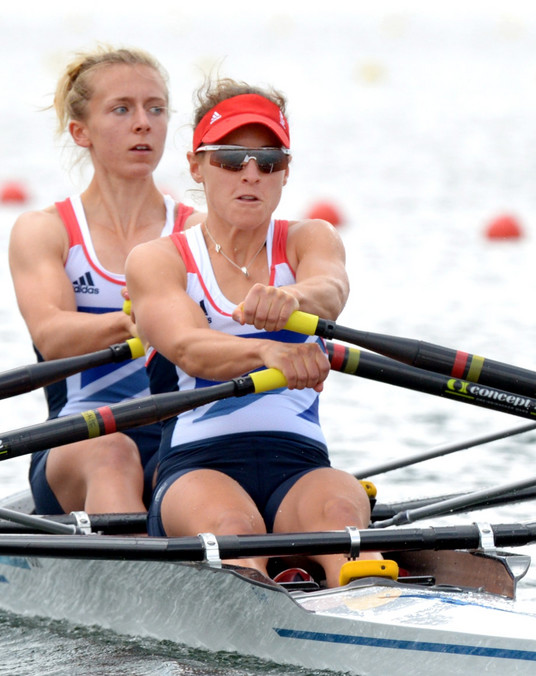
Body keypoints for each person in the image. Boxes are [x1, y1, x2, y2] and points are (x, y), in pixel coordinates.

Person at [125, 80, 379, 586]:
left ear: (285, 173)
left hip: (301, 464)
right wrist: (267, 352)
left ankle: (370, 600)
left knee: (339, 509)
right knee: (234, 529)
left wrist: (294, 302)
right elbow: (187, 348)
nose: (251, 174)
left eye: (269, 162)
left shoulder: (311, 239)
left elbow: (330, 290)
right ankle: (262, 594)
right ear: (197, 167)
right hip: (196, 468)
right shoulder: (159, 259)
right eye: (230, 158)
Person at [9, 46, 198, 516]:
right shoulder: (46, 230)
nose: (143, 123)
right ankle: (136, 573)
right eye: (122, 109)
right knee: (114, 453)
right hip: (81, 437)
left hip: (178, 436)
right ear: (80, 132)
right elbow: (52, 337)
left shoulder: (198, 232)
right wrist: (138, 321)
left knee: (212, 469)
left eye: (156, 108)